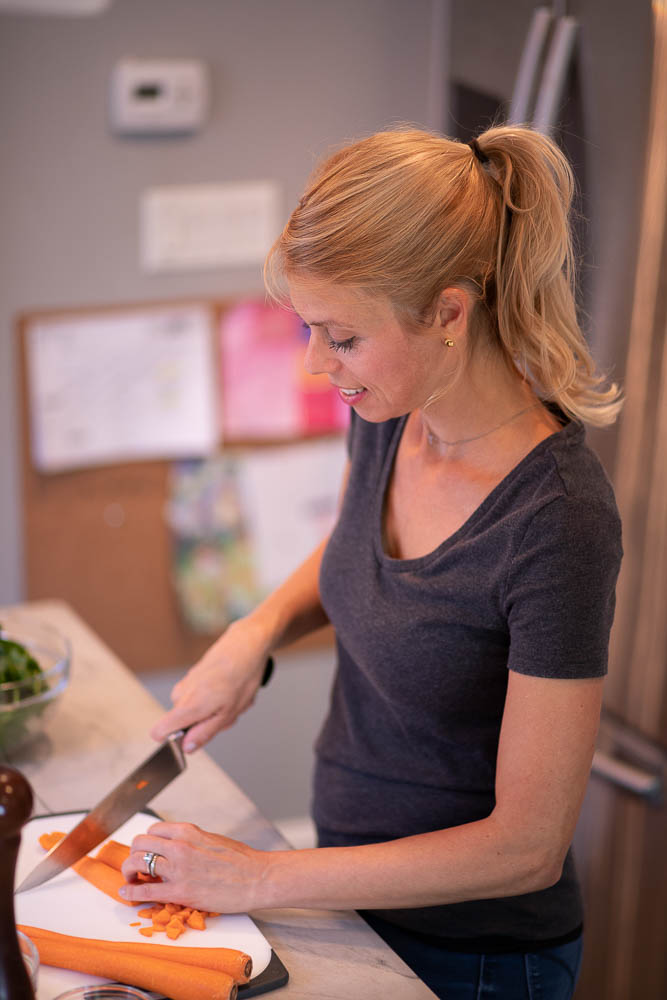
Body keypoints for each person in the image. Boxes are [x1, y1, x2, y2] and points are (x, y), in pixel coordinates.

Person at [120, 125, 623, 1000]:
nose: (319, 367)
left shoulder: (557, 521)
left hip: (476, 960)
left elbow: (525, 847)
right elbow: (360, 552)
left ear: (449, 314)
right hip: (352, 905)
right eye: (310, 332)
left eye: (341, 338)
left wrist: (257, 878)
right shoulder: (394, 412)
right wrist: (256, 633)